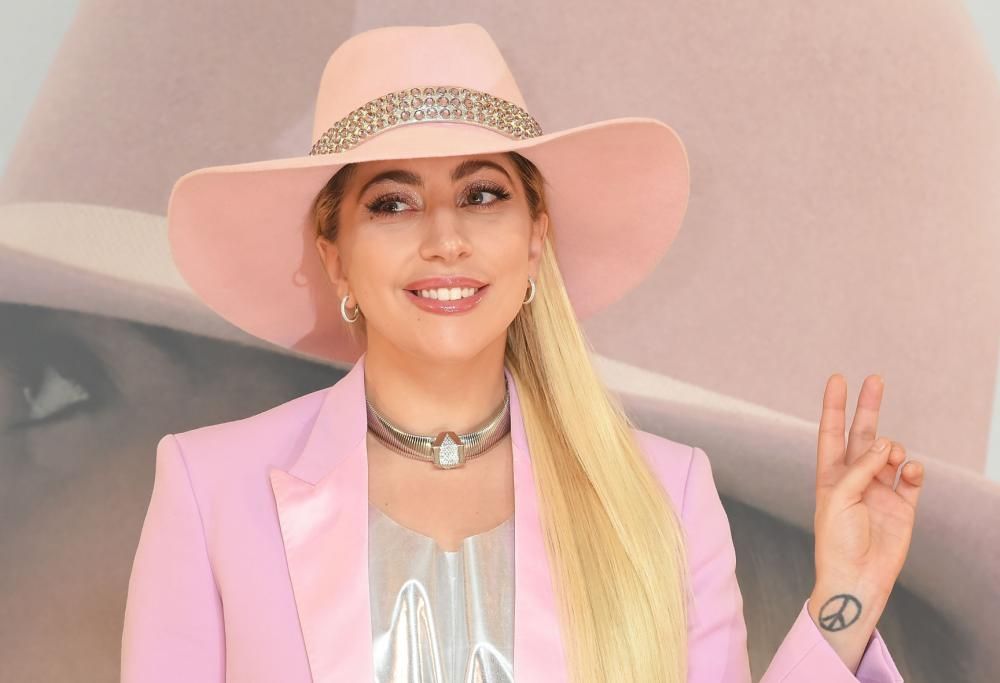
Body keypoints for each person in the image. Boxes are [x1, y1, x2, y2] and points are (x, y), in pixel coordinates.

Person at [120, 23, 923, 682]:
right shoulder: (208, 488)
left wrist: (844, 602)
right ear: (335, 257)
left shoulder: (663, 496)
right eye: (392, 202)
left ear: (536, 237)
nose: (445, 238)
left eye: (482, 194)